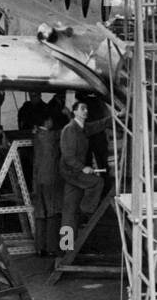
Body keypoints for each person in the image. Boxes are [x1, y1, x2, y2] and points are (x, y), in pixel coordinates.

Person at [59, 99, 110, 235]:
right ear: (74, 112)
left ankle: (67, 246)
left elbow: (100, 124)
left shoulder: (83, 127)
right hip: (72, 172)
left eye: (86, 108)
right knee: (98, 182)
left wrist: (119, 116)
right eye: (82, 108)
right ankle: (86, 211)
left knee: (69, 210)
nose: (86, 111)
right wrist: (83, 168)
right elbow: (68, 157)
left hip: (74, 173)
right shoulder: (70, 130)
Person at [30, 112, 62, 257]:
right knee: (52, 213)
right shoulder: (50, 136)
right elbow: (65, 131)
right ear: (47, 121)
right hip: (49, 179)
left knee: (40, 214)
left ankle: (39, 247)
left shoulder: (36, 136)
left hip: (38, 179)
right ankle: (51, 247)